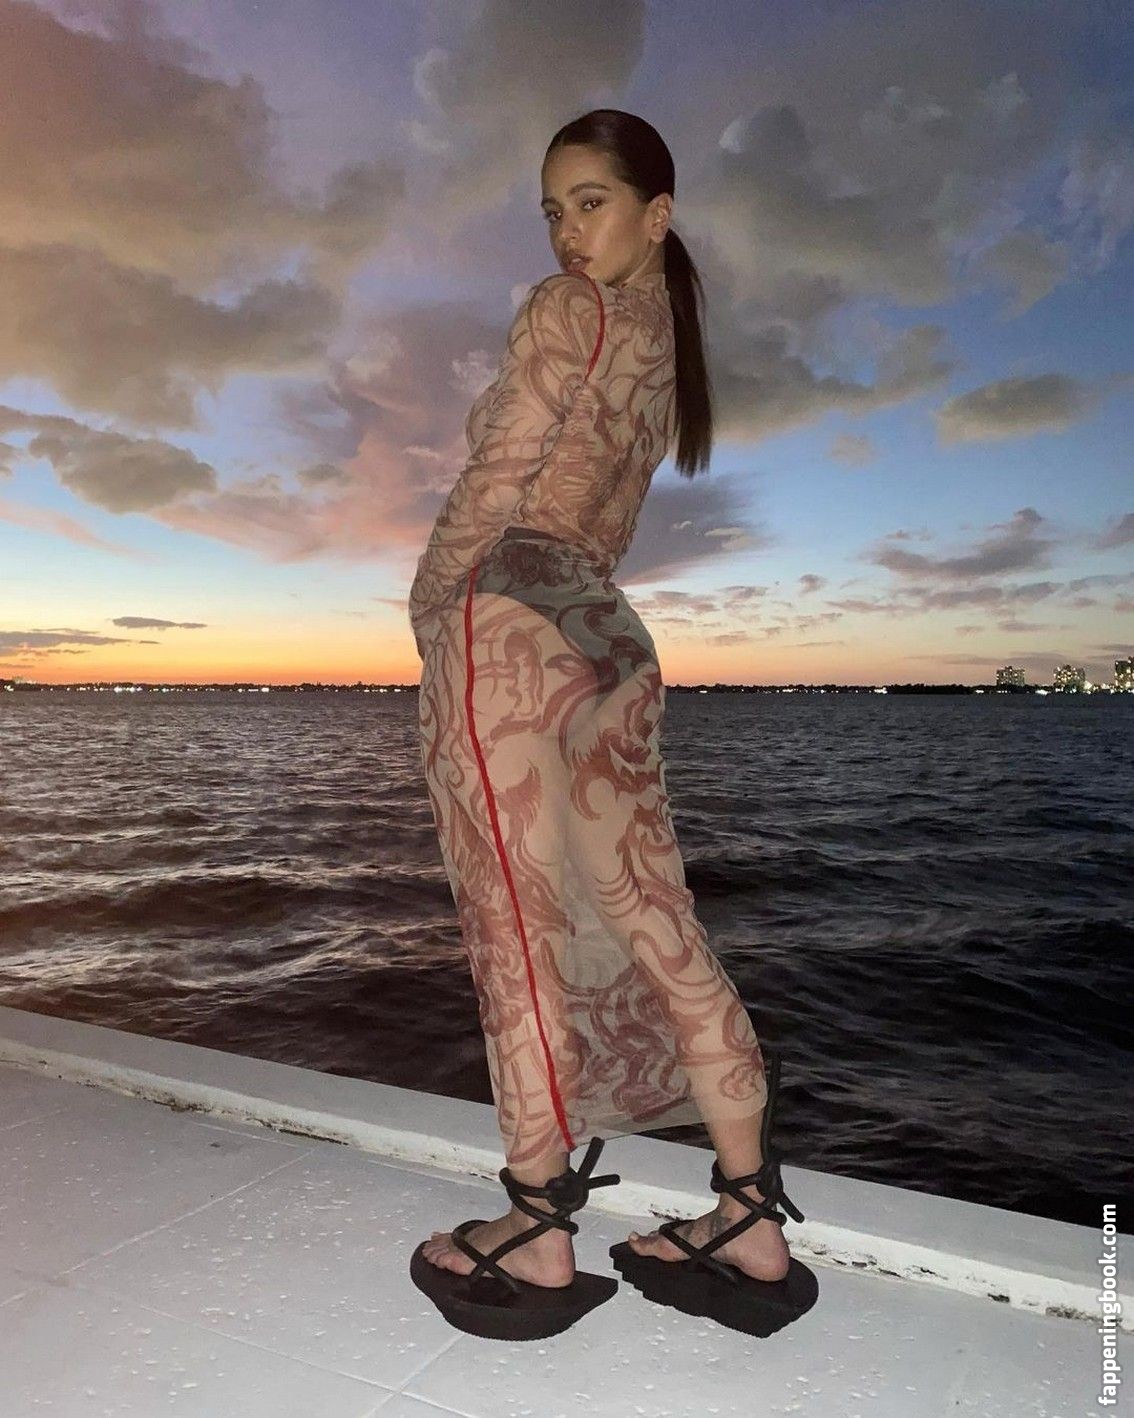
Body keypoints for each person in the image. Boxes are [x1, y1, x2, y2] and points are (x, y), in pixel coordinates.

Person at [407, 109, 813, 1341]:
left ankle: (536, 1224)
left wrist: (434, 599)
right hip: (606, 633)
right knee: (657, 916)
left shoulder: (566, 309)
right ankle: (748, 1210)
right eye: (552, 210)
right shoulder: (661, 348)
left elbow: (499, 476)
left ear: (657, 213)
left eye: (591, 201)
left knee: (513, 932)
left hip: (508, 622)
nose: (566, 231)